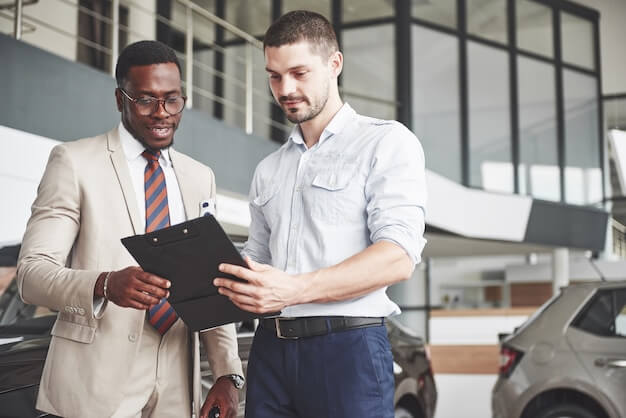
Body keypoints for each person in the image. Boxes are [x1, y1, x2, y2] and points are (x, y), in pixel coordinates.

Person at [214, 10, 427, 418]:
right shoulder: (269, 169)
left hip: (348, 352)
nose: (285, 89)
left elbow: (398, 256)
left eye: (299, 73)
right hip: (270, 351)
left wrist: (293, 290)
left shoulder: (386, 143)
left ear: (335, 64)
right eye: (274, 76)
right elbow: (259, 259)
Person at [17, 40, 243, 418]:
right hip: (95, 383)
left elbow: (211, 282)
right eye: (145, 100)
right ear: (120, 99)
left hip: (177, 381)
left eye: (172, 100)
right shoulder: (74, 163)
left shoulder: (199, 177)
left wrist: (226, 374)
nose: (162, 113)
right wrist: (104, 284)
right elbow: (31, 275)